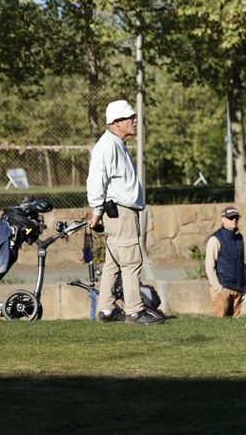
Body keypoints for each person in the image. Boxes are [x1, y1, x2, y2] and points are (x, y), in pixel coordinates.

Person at [87, 99, 164, 325]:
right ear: (117, 121)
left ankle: (106, 309)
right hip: (121, 212)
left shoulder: (116, 143)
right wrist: (96, 211)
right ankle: (135, 311)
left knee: (113, 262)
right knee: (131, 261)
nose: (135, 121)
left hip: (120, 211)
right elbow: (96, 180)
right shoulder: (108, 145)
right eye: (130, 117)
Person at [205, 206, 246, 317]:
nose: (234, 220)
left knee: (235, 328)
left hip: (238, 289)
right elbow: (209, 266)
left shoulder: (239, 238)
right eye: (230, 218)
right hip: (223, 288)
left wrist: (244, 286)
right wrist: (219, 289)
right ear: (223, 219)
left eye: (236, 218)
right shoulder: (215, 239)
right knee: (221, 326)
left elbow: (241, 263)